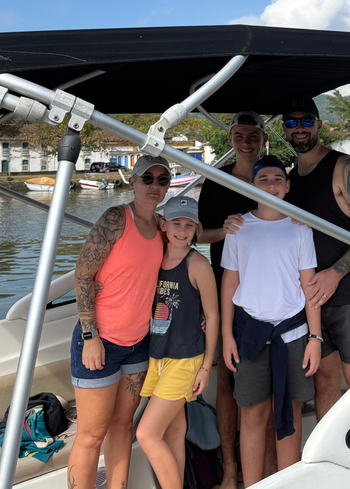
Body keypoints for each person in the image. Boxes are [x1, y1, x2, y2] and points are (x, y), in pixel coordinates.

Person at [68, 155, 171, 489]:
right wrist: (90, 335)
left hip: (138, 343)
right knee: (91, 435)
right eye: (148, 178)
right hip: (101, 340)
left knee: (123, 425)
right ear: (133, 182)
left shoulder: (163, 228)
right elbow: (83, 273)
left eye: (163, 180)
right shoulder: (116, 218)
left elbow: (192, 240)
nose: (155, 186)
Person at [281, 96, 350, 421]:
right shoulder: (292, 179)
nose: (299, 128)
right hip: (313, 297)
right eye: (291, 122)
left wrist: (335, 273)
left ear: (319, 125)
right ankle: (330, 450)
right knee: (324, 379)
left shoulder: (343, 167)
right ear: (284, 130)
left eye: (306, 121)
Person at [220, 155, 322, 488]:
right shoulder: (238, 228)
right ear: (251, 186)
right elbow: (230, 283)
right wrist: (227, 336)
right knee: (252, 414)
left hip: (293, 334)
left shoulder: (300, 227)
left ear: (288, 186)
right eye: (262, 180)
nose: (271, 185)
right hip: (249, 333)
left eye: (278, 179)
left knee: (290, 412)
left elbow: (309, 285)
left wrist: (315, 338)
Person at [197, 110, 272, 488]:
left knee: (268, 382)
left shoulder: (274, 178)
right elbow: (199, 234)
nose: (246, 143)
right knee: (226, 381)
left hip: (271, 291)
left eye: (253, 136)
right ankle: (229, 470)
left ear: (263, 139)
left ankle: (270, 471)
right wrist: (223, 231)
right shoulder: (215, 181)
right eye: (239, 136)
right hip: (226, 289)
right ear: (230, 140)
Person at [136, 195, 219, 489]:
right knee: (173, 432)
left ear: (196, 229)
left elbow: (213, 315)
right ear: (163, 225)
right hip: (157, 356)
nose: (182, 230)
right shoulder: (154, 258)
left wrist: (206, 367)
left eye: (189, 225)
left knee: (146, 434)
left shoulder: (198, 264)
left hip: (185, 359)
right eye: (176, 223)